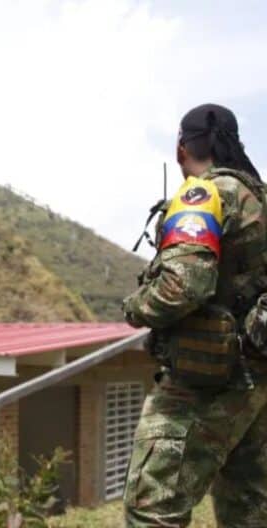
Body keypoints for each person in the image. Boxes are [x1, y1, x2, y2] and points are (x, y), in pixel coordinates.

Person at [122, 103, 267, 527]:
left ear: (182, 148)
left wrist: (134, 308)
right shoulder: (259, 198)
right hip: (257, 386)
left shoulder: (203, 193)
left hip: (205, 382)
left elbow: (182, 287)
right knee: (250, 513)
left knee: (153, 510)